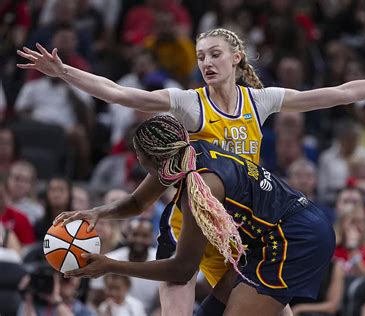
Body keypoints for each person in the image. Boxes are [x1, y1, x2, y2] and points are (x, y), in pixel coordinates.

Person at [17, 27, 365, 315]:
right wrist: (64, 72)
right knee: (180, 285)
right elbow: (118, 93)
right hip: (193, 218)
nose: (206, 62)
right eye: (200, 56)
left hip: (243, 225)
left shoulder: (260, 100)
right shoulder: (190, 103)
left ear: (235, 57)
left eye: (214, 54)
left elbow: (341, 92)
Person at [54, 115, 336, 315]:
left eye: (138, 154)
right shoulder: (184, 154)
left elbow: (182, 269)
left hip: (296, 239)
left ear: (152, 159)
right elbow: (138, 201)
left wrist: (110, 265)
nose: (136, 159)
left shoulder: (200, 190)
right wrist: (96, 212)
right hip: (271, 234)